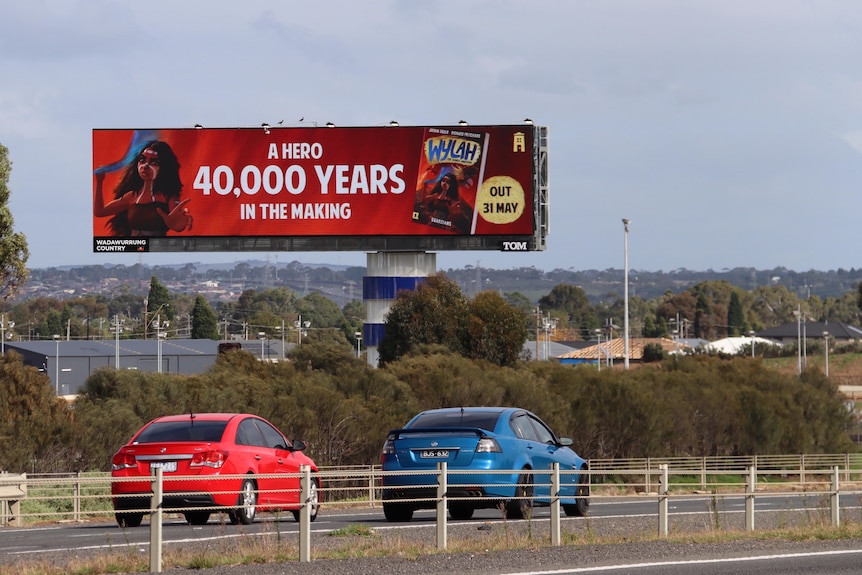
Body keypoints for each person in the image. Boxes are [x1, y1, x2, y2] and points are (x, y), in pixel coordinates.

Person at [94, 140, 192, 236]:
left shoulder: (168, 197)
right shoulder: (132, 196)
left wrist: (176, 223)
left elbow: (178, 224)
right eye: (142, 160)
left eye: (154, 162)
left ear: (165, 167)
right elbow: (99, 211)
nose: (145, 166)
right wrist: (99, 182)